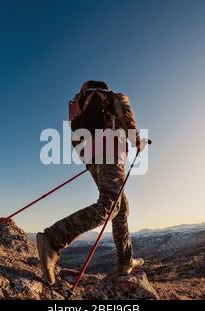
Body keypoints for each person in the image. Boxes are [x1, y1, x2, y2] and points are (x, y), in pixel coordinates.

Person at [36, 80, 147, 285]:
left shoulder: (80, 106)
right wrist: (138, 141)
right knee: (110, 205)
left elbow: (76, 137)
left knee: (120, 207)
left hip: (92, 158)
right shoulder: (114, 97)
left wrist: (90, 160)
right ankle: (53, 239)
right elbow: (127, 119)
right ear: (103, 87)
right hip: (111, 151)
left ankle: (125, 260)